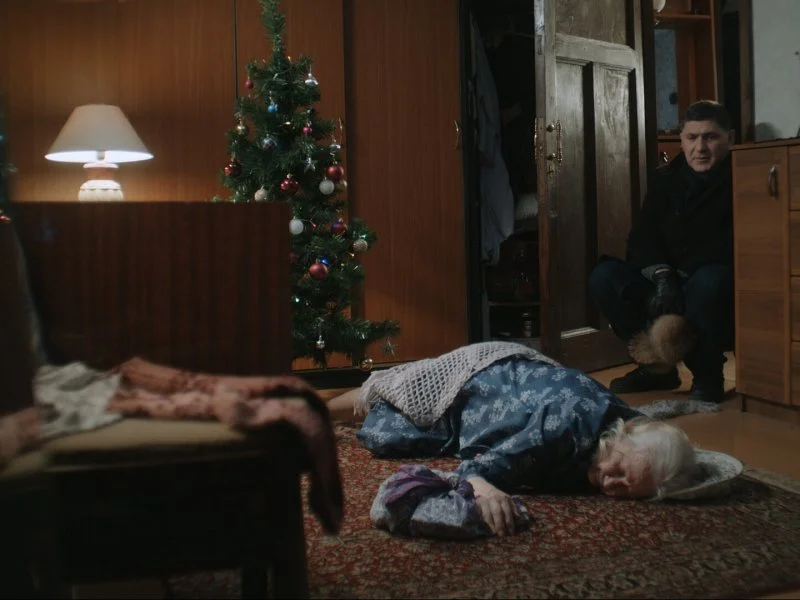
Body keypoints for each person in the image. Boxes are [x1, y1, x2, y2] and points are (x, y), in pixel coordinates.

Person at [329, 341, 698, 537]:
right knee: (389, 421)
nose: (611, 484)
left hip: (526, 377)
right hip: (476, 383)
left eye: (627, 489)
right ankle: (317, 408)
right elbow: (474, 469)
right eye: (618, 470)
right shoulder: (562, 429)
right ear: (622, 436)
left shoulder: (636, 432)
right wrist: (487, 491)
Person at [588, 100, 735, 404]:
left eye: (710, 137)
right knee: (605, 277)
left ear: (730, 138)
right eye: (692, 137)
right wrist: (661, 274)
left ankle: (708, 375)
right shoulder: (666, 178)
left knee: (709, 282)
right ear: (681, 139)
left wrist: (681, 276)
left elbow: (733, 244)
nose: (700, 148)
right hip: (664, 282)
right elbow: (642, 238)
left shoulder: (741, 178)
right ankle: (657, 368)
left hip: (709, 282)